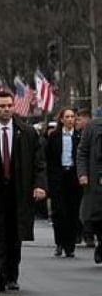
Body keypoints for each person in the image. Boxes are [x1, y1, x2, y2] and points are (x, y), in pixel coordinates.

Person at [0, 90, 46, 292]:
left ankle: (12, 275)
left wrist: (40, 185)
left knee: (14, 234)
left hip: (19, 191)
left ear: (14, 107)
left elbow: (39, 163)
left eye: (9, 106)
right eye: (2, 106)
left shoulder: (27, 133)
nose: (6, 110)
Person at [46, 107, 81, 257]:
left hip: (73, 177)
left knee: (72, 211)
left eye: (72, 117)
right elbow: (47, 158)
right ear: (62, 119)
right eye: (67, 117)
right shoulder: (54, 137)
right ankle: (59, 242)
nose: (70, 120)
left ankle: (70, 245)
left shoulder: (79, 136)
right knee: (59, 211)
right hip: (58, 177)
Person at [77, 110, 102, 263]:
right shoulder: (92, 127)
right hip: (95, 177)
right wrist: (82, 174)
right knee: (96, 215)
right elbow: (82, 152)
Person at [76, 108, 96, 248]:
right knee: (89, 209)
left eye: (78, 118)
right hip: (92, 177)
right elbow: (82, 153)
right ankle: (88, 234)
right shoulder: (90, 130)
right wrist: (83, 173)